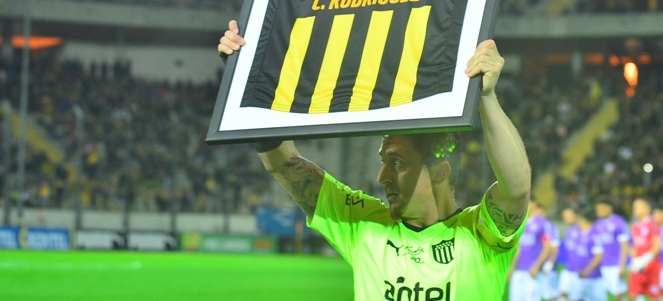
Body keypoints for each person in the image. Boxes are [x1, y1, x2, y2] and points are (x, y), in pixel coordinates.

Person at [218, 21, 531, 301]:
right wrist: (252, 83)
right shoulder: (365, 225)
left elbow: (516, 187)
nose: (382, 176)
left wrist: (486, 97)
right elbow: (282, 163)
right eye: (383, 160)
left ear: (440, 171)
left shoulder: (480, 235)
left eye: (396, 163)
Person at [510, 200, 555, 301]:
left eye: (528, 202)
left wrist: (537, 266)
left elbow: (547, 247)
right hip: (519, 271)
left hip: (532, 271)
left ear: (534, 204)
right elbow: (518, 248)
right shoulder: (521, 222)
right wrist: (512, 267)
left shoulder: (542, 223)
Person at [558, 207, 604, 301]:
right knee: (563, 295)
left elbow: (598, 257)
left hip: (589, 275)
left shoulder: (594, 235)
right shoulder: (571, 231)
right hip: (571, 270)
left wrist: (586, 271)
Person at [593, 196, 629, 300]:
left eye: (601, 208)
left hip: (615, 264)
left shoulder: (618, 222)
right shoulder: (598, 223)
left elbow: (624, 246)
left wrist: (622, 265)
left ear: (609, 208)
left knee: (617, 292)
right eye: (597, 209)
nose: (599, 211)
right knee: (600, 292)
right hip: (602, 264)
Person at [627, 198, 662, 301]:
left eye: (639, 206)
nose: (635, 208)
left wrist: (645, 259)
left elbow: (657, 245)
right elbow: (635, 246)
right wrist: (633, 261)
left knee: (653, 296)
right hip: (637, 267)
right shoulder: (635, 226)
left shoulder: (653, 224)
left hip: (651, 267)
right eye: (634, 206)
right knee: (632, 295)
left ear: (647, 209)